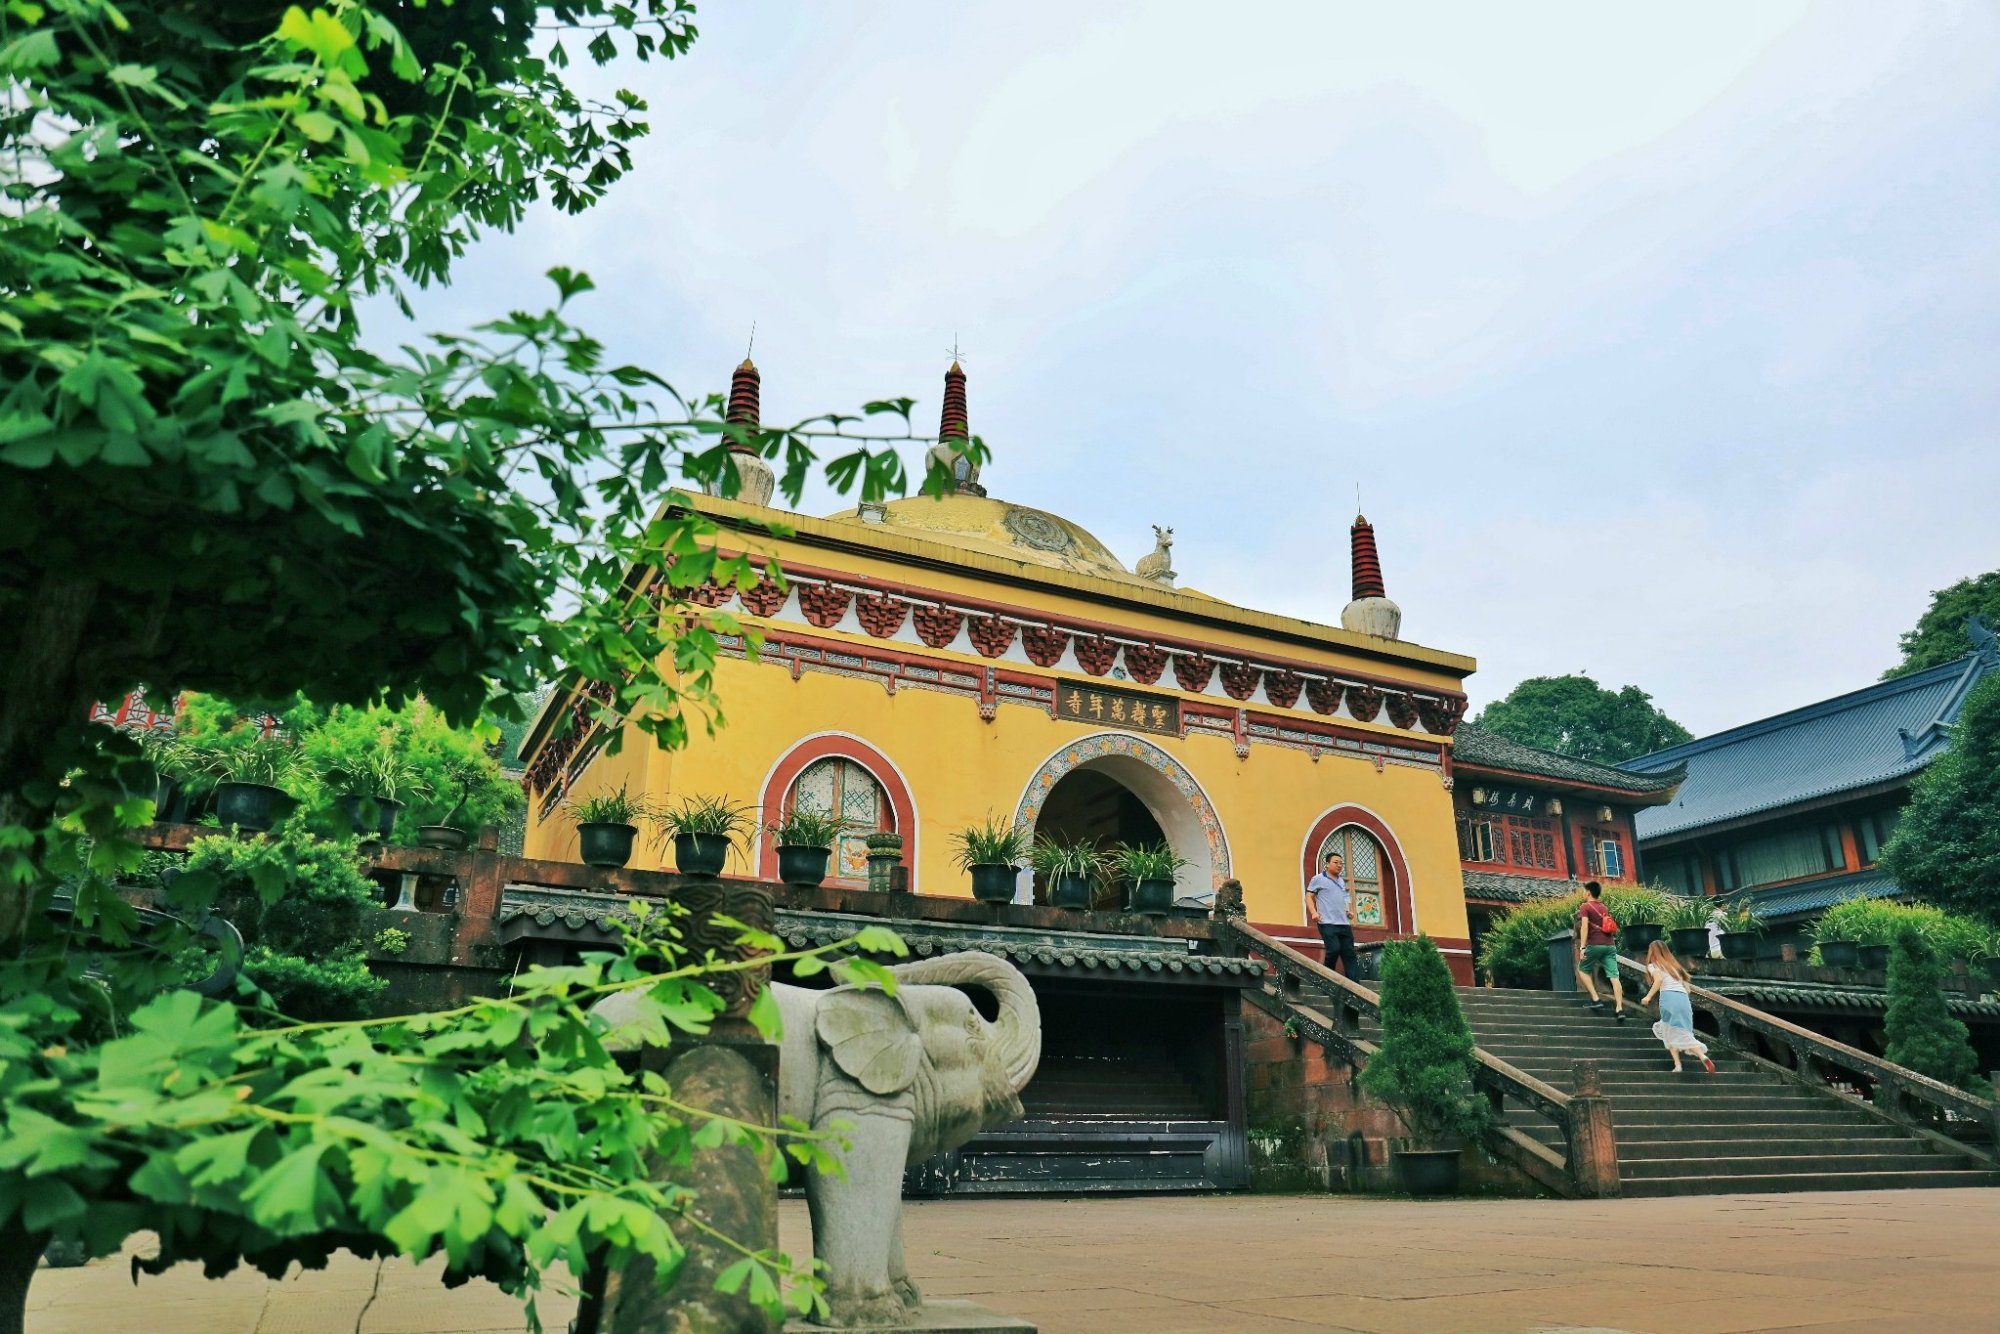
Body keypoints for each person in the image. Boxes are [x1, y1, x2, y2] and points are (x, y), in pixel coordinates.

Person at [1640, 940, 1715, 1074]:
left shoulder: (1653, 965)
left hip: (1669, 998)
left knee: (1669, 1030)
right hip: (1683, 1000)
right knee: (1683, 1031)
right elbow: (1687, 989)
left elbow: (1658, 980)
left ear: (1652, 952)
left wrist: (1648, 997)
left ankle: (1678, 1065)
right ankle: (1702, 1056)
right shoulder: (1674, 966)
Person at [1574, 881, 1625, 1022]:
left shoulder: (1585, 907)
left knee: (1583, 969)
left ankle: (1596, 999)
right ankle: (1619, 1008)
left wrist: (1582, 947)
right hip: (1610, 945)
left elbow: (1584, 927)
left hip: (1595, 944)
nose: (1583, 893)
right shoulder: (1603, 907)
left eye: (1584, 891)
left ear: (1588, 892)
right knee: (1614, 977)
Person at [1305, 851, 1359, 979]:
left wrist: (1348, 910)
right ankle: (1327, 977)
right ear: (1327, 864)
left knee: (1349, 954)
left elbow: (1345, 897)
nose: (1339, 865)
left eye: (1341, 863)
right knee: (1334, 949)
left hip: (1344, 923)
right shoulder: (1318, 879)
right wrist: (1314, 913)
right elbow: (1308, 896)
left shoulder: (1341, 881)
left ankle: (1355, 985)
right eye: (1336, 862)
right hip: (1327, 922)